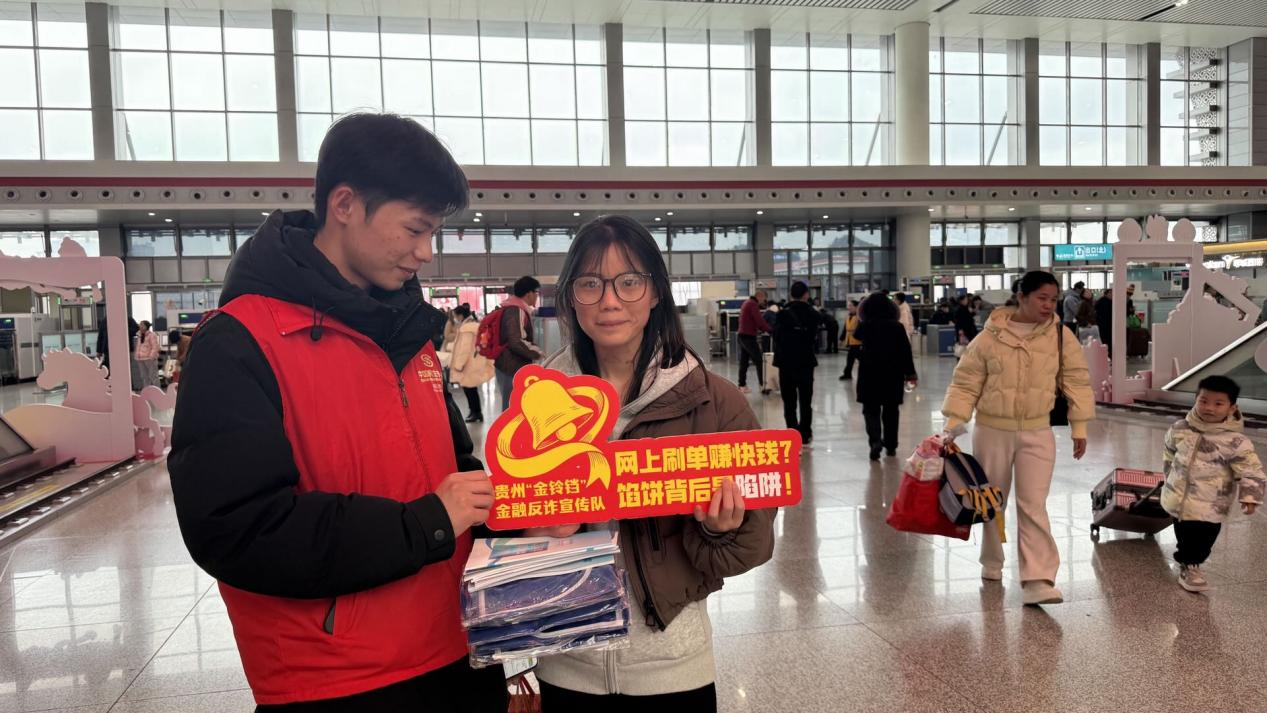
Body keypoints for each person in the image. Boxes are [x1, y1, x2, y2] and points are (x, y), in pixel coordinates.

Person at [167, 113, 509, 712]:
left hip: (458, 649)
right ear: (345, 204)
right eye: (415, 230)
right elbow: (237, 528)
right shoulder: (242, 341)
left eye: (434, 233)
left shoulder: (407, 334)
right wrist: (425, 523)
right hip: (336, 682)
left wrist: (527, 512)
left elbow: (455, 472)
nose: (425, 253)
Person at [536, 215, 776, 710]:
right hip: (567, 660)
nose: (609, 301)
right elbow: (511, 526)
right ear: (570, 296)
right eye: (590, 283)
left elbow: (753, 543)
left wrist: (719, 530)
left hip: (672, 663)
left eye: (629, 282)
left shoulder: (714, 401)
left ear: (655, 293)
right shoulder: (537, 402)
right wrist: (538, 530)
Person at [942, 270, 1096, 606]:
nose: (1048, 305)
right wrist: (953, 424)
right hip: (992, 430)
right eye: (1042, 298)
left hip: (1038, 430)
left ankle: (1038, 578)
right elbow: (966, 383)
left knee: (1033, 503)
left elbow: (1076, 380)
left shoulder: (1060, 336)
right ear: (1022, 296)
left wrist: (1079, 426)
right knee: (991, 500)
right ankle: (992, 560)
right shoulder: (989, 337)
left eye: (1053, 299)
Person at [1161, 376, 1266, 593]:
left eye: (1218, 403)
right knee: (1185, 534)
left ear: (1232, 407)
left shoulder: (1235, 441)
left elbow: (1251, 469)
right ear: (1195, 400)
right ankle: (1189, 564)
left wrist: (1250, 496)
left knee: (1205, 537)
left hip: (1212, 502)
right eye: (1203, 401)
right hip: (1180, 497)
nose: (1209, 408)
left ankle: (1193, 560)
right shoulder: (1180, 428)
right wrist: (1168, 473)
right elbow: (1169, 450)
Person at [855, 292, 917, 461]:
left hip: (869, 373)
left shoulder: (865, 326)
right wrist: (910, 373)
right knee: (891, 411)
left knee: (870, 410)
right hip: (892, 373)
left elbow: (856, 337)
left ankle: (875, 441)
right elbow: (905, 352)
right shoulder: (897, 327)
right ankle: (891, 445)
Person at [774, 281, 823, 446]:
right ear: (806, 295)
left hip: (786, 362)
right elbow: (816, 334)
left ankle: (792, 432)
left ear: (790, 295)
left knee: (789, 401)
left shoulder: (782, 314)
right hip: (805, 362)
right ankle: (805, 433)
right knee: (805, 400)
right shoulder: (813, 314)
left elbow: (776, 336)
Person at [495, 276, 544, 411]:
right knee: (512, 408)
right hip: (512, 367)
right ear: (529, 294)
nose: (537, 296)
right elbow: (515, 340)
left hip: (507, 364)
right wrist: (537, 353)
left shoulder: (513, 307)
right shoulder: (516, 310)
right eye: (536, 292)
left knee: (513, 405)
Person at [448, 304, 494, 423]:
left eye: (455, 316)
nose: (455, 319)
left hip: (468, 364)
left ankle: (476, 413)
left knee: (470, 390)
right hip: (473, 362)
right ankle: (474, 412)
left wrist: (459, 365)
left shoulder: (466, 328)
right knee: (471, 389)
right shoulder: (472, 325)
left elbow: (465, 348)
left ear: (460, 316)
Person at [737, 290, 773, 395]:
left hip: (742, 335)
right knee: (759, 361)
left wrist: (761, 329)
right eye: (764, 298)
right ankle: (764, 386)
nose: (764, 301)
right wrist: (770, 330)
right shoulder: (753, 304)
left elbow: (753, 321)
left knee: (744, 362)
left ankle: (742, 385)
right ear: (760, 296)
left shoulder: (747, 302)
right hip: (748, 337)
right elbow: (759, 320)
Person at [839, 300, 862, 381]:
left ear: (856, 307)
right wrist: (841, 339)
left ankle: (847, 373)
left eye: (851, 305)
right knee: (851, 358)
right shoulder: (848, 316)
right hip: (850, 340)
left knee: (854, 358)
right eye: (849, 306)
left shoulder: (859, 317)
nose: (849, 307)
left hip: (857, 341)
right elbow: (845, 329)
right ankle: (847, 374)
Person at [134, 320, 159, 389]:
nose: (140, 326)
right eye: (140, 325)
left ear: (146, 326)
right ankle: (147, 391)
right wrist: (137, 355)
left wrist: (151, 356)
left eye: (142, 325)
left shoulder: (152, 335)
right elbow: (139, 346)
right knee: (144, 377)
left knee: (153, 376)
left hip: (149, 358)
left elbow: (155, 347)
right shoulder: (139, 335)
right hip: (140, 358)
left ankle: (157, 391)